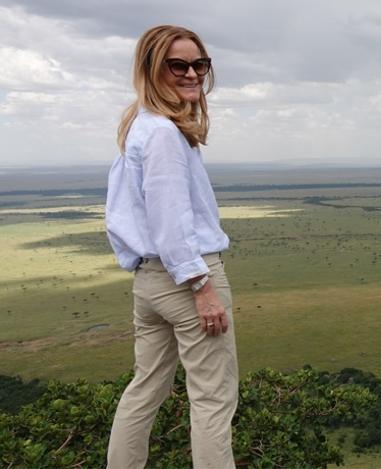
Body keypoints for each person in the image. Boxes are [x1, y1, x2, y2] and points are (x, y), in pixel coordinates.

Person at [104, 25, 237, 468]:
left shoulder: (139, 126)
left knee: (145, 388)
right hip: (185, 277)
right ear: (151, 69)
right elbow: (169, 220)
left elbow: (122, 213)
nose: (191, 73)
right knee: (213, 399)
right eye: (177, 65)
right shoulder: (162, 133)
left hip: (149, 279)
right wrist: (201, 286)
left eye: (199, 64)